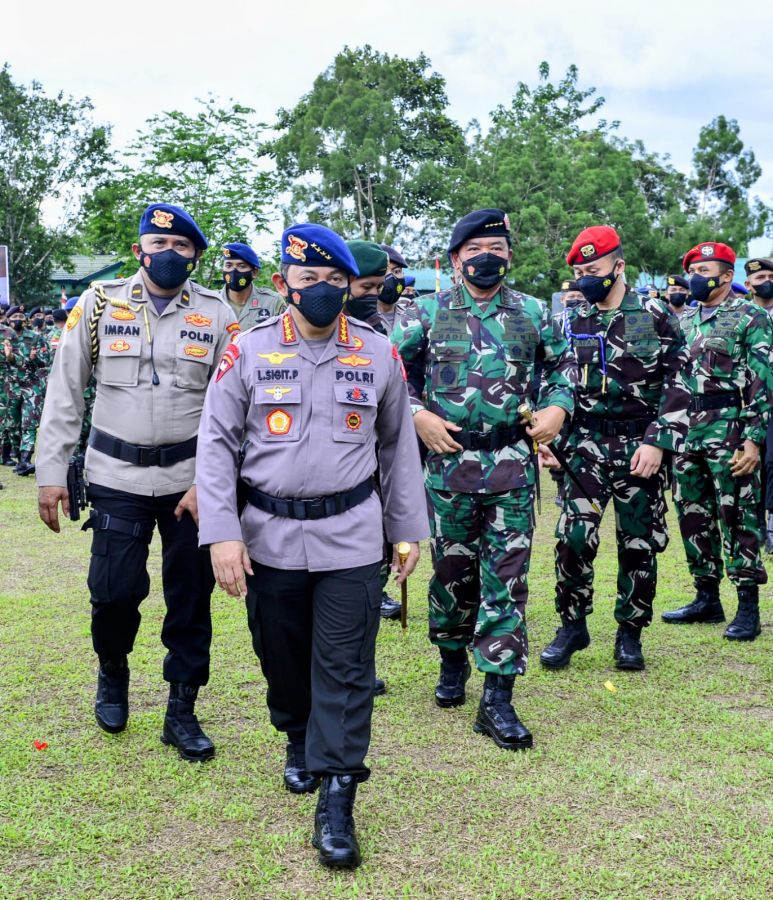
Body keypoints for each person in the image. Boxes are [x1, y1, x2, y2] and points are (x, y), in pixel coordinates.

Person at [196, 223, 428, 869]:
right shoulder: (247, 351)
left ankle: (338, 795)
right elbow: (216, 445)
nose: (322, 292)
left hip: (352, 536)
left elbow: (395, 447)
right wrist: (220, 532)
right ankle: (295, 736)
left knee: (347, 668)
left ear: (350, 285)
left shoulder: (378, 354)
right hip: (266, 536)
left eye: (334, 281)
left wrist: (407, 528)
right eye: (308, 281)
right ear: (283, 284)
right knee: (282, 657)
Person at [35, 203, 237, 759]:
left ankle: (182, 708)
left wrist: (214, 484)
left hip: (190, 481)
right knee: (114, 592)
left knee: (190, 600)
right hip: (115, 477)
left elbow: (231, 409)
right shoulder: (98, 305)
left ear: (195, 256)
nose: (168, 255)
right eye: (158, 245)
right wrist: (52, 472)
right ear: (138, 251)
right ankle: (113, 673)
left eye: (181, 248)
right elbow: (65, 390)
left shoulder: (218, 316)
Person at [393, 208, 576, 750]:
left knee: (507, 580)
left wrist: (558, 409)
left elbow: (563, 369)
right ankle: (452, 659)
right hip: (448, 468)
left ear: (510, 257)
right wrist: (415, 413)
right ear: (455, 260)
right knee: (452, 577)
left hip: (511, 468)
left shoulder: (534, 313)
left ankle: (497, 697)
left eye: (495, 248)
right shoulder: (424, 312)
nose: (485, 258)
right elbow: (389, 375)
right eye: (473, 250)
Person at [541, 226, 691, 672]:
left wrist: (659, 441)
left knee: (638, 542)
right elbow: (553, 380)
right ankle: (572, 624)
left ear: (618, 266)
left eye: (595, 269)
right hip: (584, 443)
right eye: (580, 271)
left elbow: (680, 382)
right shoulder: (570, 319)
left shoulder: (656, 314)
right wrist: (551, 433)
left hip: (639, 444)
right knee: (572, 537)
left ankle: (630, 631)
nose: (587, 278)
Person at [662, 243, 773, 641]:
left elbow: (763, 381)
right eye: (692, 268)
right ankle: (706, 596)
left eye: (704, 268)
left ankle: (748, 605)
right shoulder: (684, 321)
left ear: (727, 276)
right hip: (687, 429)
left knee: (737, 514)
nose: (695, 275)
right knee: (692, 513)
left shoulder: (751, 316)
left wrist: (754, 439)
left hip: (730, 427)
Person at [345, 239, 403, 623]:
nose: (374, 296)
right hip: (343, 465)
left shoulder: (387, 330)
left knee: (379, 538)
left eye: (378, 287)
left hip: (382, 455)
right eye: (364, 288)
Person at [745, 258, 773, 552]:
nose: (766, 280)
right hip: (747, 404)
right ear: (749, 282)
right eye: (760, 276)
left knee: (772, 463)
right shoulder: (740, 315)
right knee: (750, 467)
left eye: (770, 275)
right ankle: (757, 527)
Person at [3, 305, 50, 475]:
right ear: (8, 319)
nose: (17, 320)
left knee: (29, 424)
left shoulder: (36, 338)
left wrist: (35, 358)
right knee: (13, 424)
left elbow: (46, 360)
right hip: (11, 386)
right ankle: (16, 455)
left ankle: (25, 460)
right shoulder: (5, 338)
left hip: (32, 386)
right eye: (14, 317)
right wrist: (8, 357)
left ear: (27, 320)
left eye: (21, 317)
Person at [220, 242, 285, 328]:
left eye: (241, 266)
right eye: (229, 265)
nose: (233, 271)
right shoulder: (211, 302)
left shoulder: (272, 302)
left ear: (254, 272)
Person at [377, 243, 408, 334]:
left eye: (397, 271)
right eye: (383, 271)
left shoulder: (414, 313)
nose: (390, 278)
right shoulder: (360, 316)